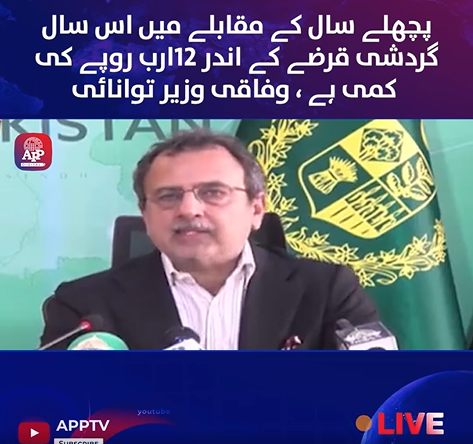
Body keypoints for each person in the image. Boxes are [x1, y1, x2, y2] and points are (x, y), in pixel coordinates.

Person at [40, 129, 378, 350]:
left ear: (256, 208)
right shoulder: (85, 307)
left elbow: (371, 391)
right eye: (168, 196)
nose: (189, 209)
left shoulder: (328, 290)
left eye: (213, 192)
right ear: (145, 215)